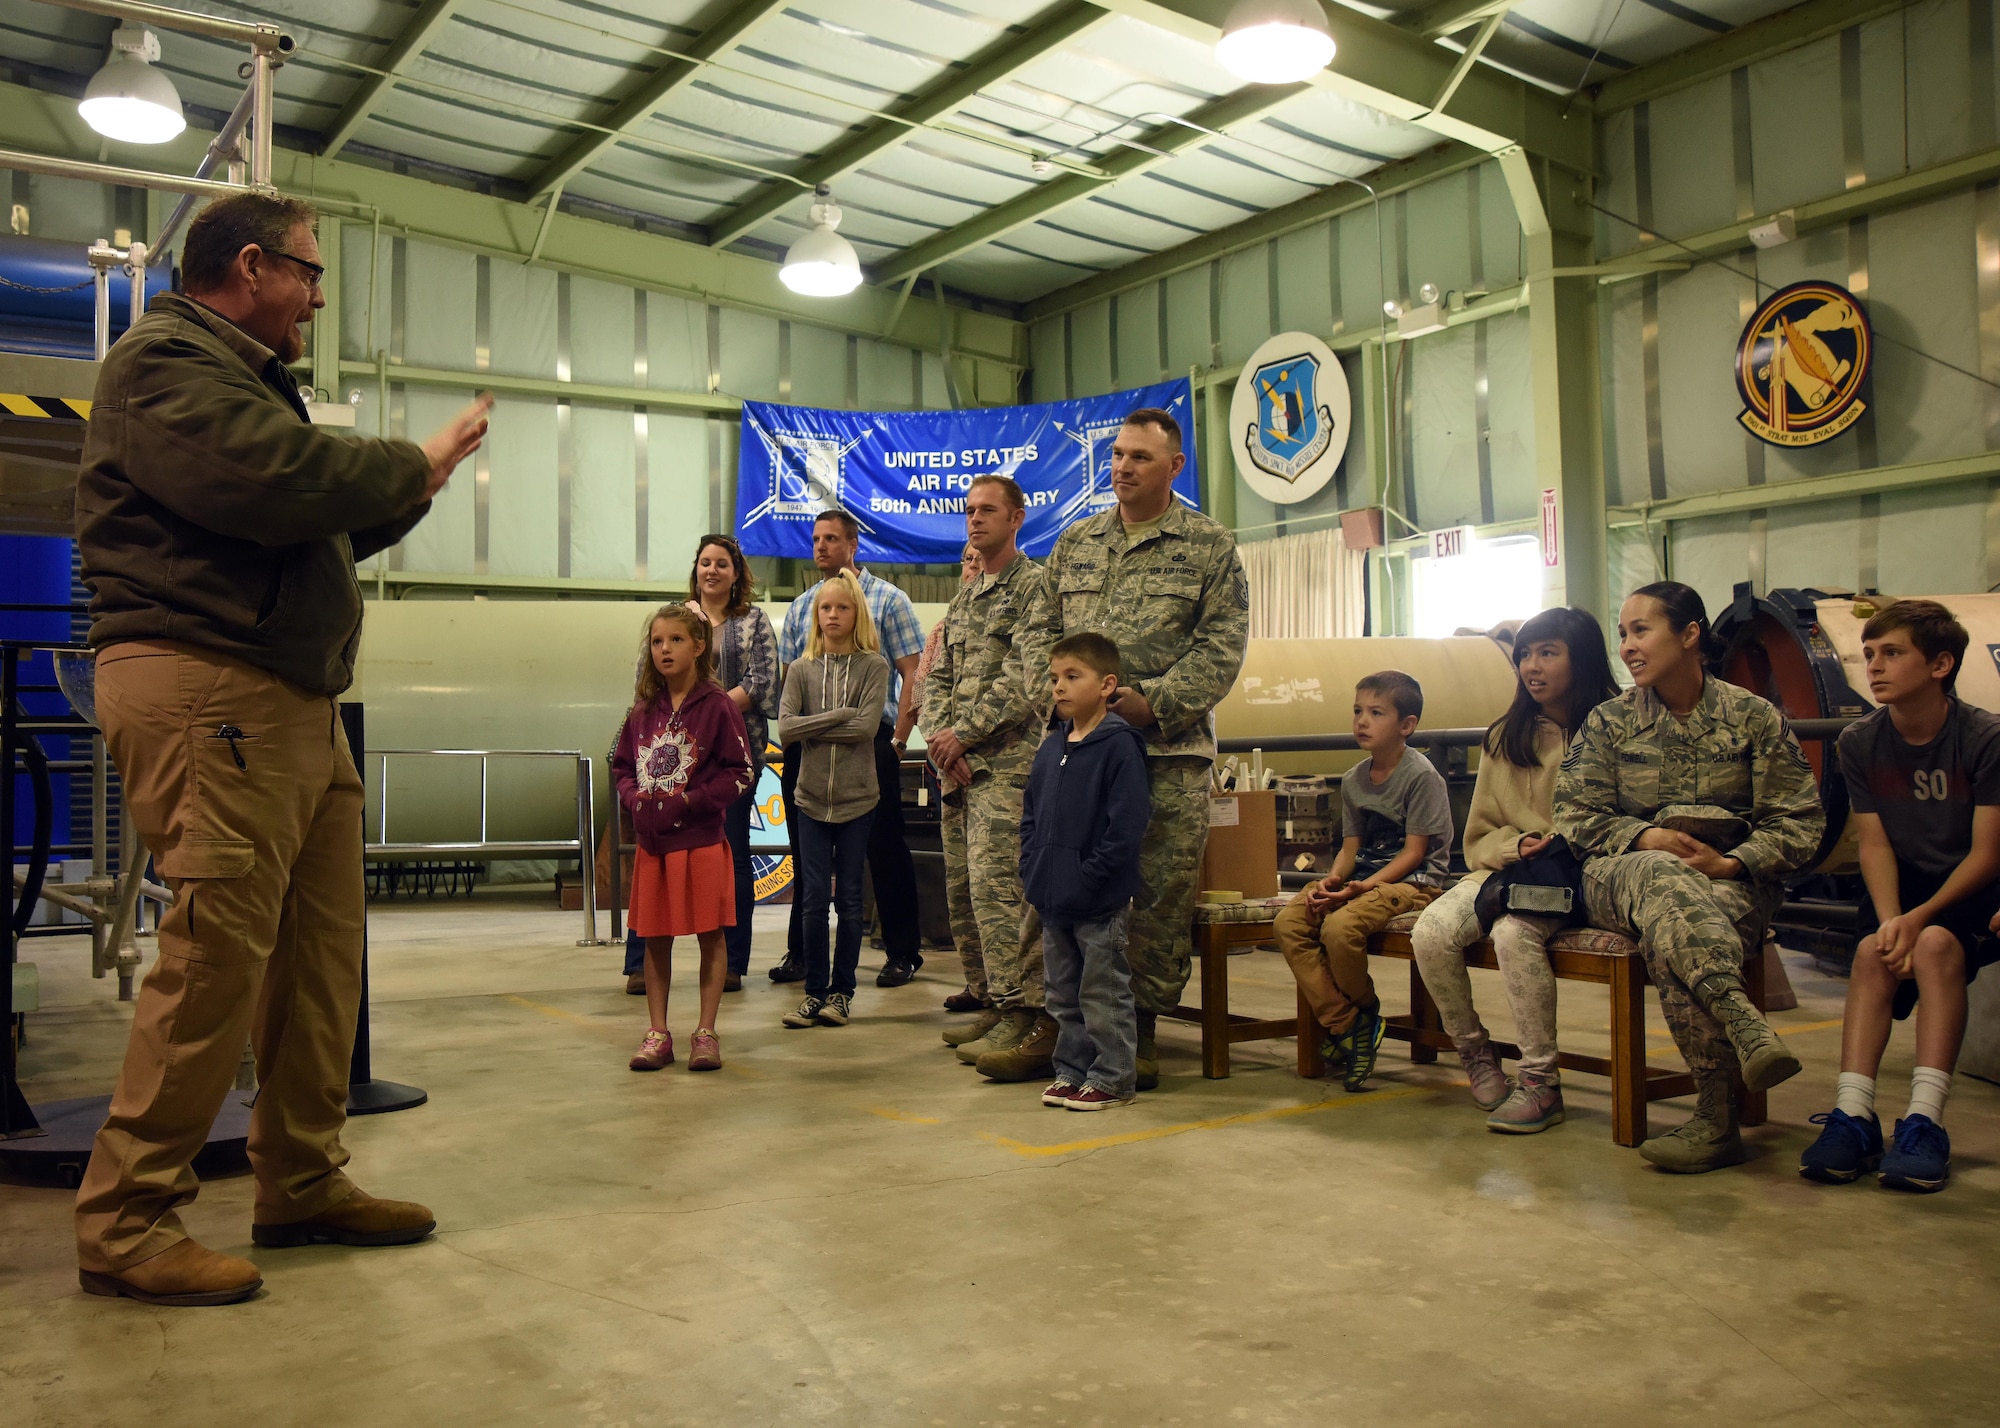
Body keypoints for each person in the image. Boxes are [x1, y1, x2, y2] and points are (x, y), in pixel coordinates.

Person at [70, 192, 491, 1306]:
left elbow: (321, 516)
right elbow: (282, 481)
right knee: (216, 956)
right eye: (307, 272)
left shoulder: (242, 380)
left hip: (284, 699)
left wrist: (414, 484)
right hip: (210, 687)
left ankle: (299, 1179)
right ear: (249, 267)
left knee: (318, 954)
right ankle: (128, 1218)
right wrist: (408, 457)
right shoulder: (164, 365)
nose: (314, 294)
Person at [1014, 408, 1249, 1091]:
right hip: (1079, 751)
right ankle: (1065, 1028)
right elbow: (1038, 630)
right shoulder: (1077, 541)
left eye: (1140, 457)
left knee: (1154, 895)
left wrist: (1158, 703)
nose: (1122, 467)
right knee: (1069, 883)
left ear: (1174, 467)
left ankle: (1136, 1032)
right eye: (1117, 454)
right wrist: (1056, 700)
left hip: (1165, 753)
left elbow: (1223, 643)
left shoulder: (1209, 546)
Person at [1556, 581, 1824, 1173]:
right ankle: (1740, 1021)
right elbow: (1574, 817)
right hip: (1619, 875)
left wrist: (1732, 862)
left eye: (1641, 630)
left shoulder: (1754, 718)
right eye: (1622, 634)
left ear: (1690, 635)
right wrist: (1646, 837)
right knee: (1657, 874)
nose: (1627, 646)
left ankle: (1716, 1119)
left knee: (1671, 930)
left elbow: (1800, 823)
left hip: (1730, 883)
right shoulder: (1608, 723)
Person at [1800, 599, 2000, 1192]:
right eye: (1868, 655)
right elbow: (1875, 846)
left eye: (1892, 653)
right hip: (1904, 882)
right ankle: (1854, 1115)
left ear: (1941, 665)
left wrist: (1918, 920)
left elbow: (1988, 853)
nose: (1874, 667)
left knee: (1936, 947)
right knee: (1870, 953)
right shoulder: (1860, 742)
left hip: (1970, 879)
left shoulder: (1983, 737)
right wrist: (1891, 921)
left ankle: (1924, 1121)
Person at [1408, 609, 1621, 1132]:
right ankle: (1476, 1053)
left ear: (1583, 658)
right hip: (1509, 870)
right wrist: (1515, 844)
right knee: (1431, 932)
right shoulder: (1506, 735)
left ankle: (1540, 1083)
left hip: (1583, 877)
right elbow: (1478, 835)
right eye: (1525, 654)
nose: (1531, 666)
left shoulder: (1619, 726)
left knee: (1512, 933)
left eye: (1548, 652)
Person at [922, 477, 1053, 1079]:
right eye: (969, 511)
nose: (975, 520)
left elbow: (1029, 678)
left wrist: (964, 733)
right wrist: (942, 739)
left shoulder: (1034, 589)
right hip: (959, 770)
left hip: (1006, 768)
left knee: (1005, 895)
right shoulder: (966, 600)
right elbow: (935, 679)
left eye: (987, 511)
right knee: (967, 895)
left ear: (1017, 517)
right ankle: (995, 1001)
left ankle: (1029, 1012)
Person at [1275, 671, 1454, 1092]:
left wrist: (1362, 888)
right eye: (1358, 711)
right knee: (1290, 923)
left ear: (1406, 725)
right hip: (1363, 879)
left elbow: (1414, 853)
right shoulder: (1355, 779)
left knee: (1340, 928)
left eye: (1376, 713)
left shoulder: (1421, 776)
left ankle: (1362, 1013)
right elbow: (1350, 849)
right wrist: (1333, 881)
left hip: (1414, 882)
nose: (1362, 721)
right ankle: (1353, 1022)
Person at [773, 509, 926, 988]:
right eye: (816, 538)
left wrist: (898, 740)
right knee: (806, 855)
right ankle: (802, 952)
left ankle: (902, 952)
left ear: (853, 543)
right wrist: (809, 727)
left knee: (884, 851)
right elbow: (788, 684)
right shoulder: (801, 607)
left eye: (832, 538)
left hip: (871, 742)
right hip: (809, 750)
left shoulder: (889, 600)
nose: (821, 546)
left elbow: (914, 674)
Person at [613, 604, 754, 1073]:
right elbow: (620, 766)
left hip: (700, 843)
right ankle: (658, 1033)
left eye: (675, 640)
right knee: (654, 938)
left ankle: (706, 1032)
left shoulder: (718, 707)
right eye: (656, 642)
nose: (664, 650)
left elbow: (741, 772)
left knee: (711, 936)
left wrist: (692, 801)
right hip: (654, 848)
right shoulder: (641, 711)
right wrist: (634, 798)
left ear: (698, 647)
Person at [1020, 633, 1150, 1109]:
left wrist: (1092, 876)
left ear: (1106, 684)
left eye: (1073, 677)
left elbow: (1127, 825)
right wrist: (1032, 867)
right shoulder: (1051, 747)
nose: (1059, 687)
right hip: (1053, 899)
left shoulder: (1119, 747)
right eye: (1055, 678)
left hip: (1098, 900)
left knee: (1103, 993)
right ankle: (1071, 1071)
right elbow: (1030, 816)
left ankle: (1113, 1077)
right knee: (1063, 995)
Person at [776, 572, 893, 1028]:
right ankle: (813, 992)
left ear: (856, 614)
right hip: (809, 801)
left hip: (857, 801)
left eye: (842, 608)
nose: (832, 616)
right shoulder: (802, 670)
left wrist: (816, 722)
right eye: (826, 608)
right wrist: (840, 715)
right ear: (816, 615)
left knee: (847, 899)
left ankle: (841, 994)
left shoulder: (874, 667)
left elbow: (866, 730)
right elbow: (785, 730)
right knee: (810, 901)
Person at [691, 535, 778, 992]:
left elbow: (763, 682)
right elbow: (651, 673)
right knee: (660, 857)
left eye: (721, 564)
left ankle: (732, 963)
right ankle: (640, 962)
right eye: (705, 563)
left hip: (737, 757)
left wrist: (711, 711)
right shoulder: (677, 617)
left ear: (735, 573)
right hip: (679, 760)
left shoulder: (755, 621)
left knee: (734, 856)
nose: (712, 571)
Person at [913, 544, 985, 1016]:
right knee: (960, 888)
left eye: (979, 560)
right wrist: (944, 748)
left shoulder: (1027, 602)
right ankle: (979, 984)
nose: (971, 567)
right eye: (965, 560)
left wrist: (964, 743)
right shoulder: (944, 625)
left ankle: (1012, 998)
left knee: (997, 889)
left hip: (994, 770)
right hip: (951, 771)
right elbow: (923, 693)